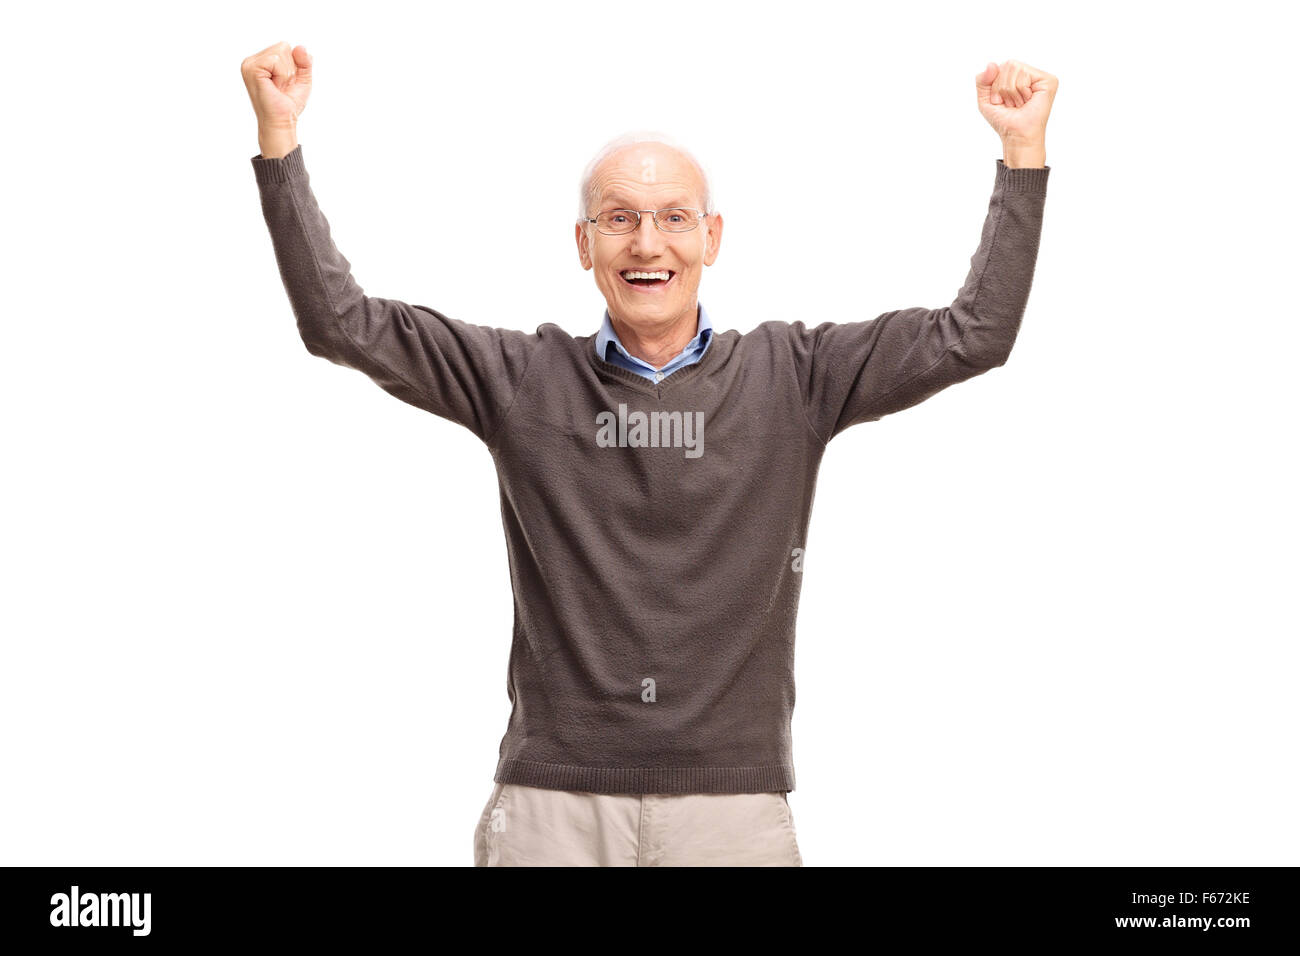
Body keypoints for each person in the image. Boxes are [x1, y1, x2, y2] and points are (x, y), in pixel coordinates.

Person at [240, 41, 1056, 866]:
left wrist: (1021, 152)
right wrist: (280, 139)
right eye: (619, 218)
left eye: (673, 218)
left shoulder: (795, 378)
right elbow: (340, 324)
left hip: (730, 808)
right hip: (553, 805)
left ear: (712, 237)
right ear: (584, 243)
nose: (647, 243)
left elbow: (974, 335)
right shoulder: (522, 379)